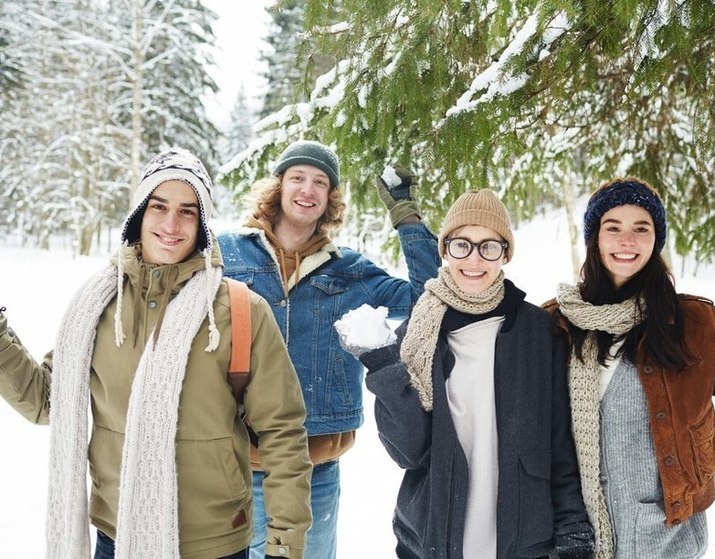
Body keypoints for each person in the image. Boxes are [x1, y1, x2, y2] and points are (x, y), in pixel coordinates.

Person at [0, 148, 312, 559]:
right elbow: (46, 401)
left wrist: (285, 544)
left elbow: (283, 432)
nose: (170, 224)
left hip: (214, 543)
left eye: (187, 211)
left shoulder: (241, 311)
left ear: (202, 225)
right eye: (158, 206)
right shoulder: (97, 308)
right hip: (116, 536)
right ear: (138, 216)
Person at [336, 189, 594, 559]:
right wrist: (382, 365)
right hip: (434, 536)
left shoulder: (537, 330)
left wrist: (571, 523)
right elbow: (409, 452)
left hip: (521, 540)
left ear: (506, 253)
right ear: (445, 250)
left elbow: (558, 439)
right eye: (462, 245)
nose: (474, 259)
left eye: (489, 246)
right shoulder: (419, 331)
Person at [217, 139, 441, 559]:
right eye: (298, 178)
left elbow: (426, 298)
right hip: (240, 458)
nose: (308, 189)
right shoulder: (228, 254)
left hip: (314, 462)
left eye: (320, 182)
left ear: (330, 198)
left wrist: (406, 216)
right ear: (278, 187)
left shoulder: (348, 269)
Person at [545, 177, 715, 559]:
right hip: (575, 539)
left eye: (642, 228)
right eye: (613, 228)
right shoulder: (557, 324)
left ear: (656, 240)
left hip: (668, 537)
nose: (627, 240)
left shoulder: (695, 322)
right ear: (595, 239)